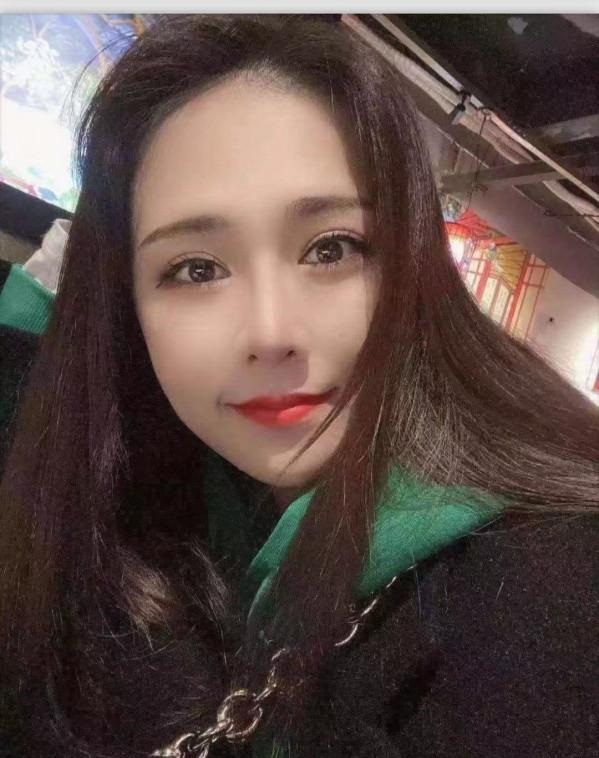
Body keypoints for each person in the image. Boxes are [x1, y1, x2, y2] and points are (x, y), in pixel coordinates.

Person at [0, 14, 597, 758]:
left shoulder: (545, 595)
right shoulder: (136, 501)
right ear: (127, 306)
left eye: (331, 249)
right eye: (195, 268)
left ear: (411, 267)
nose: (270, 332)